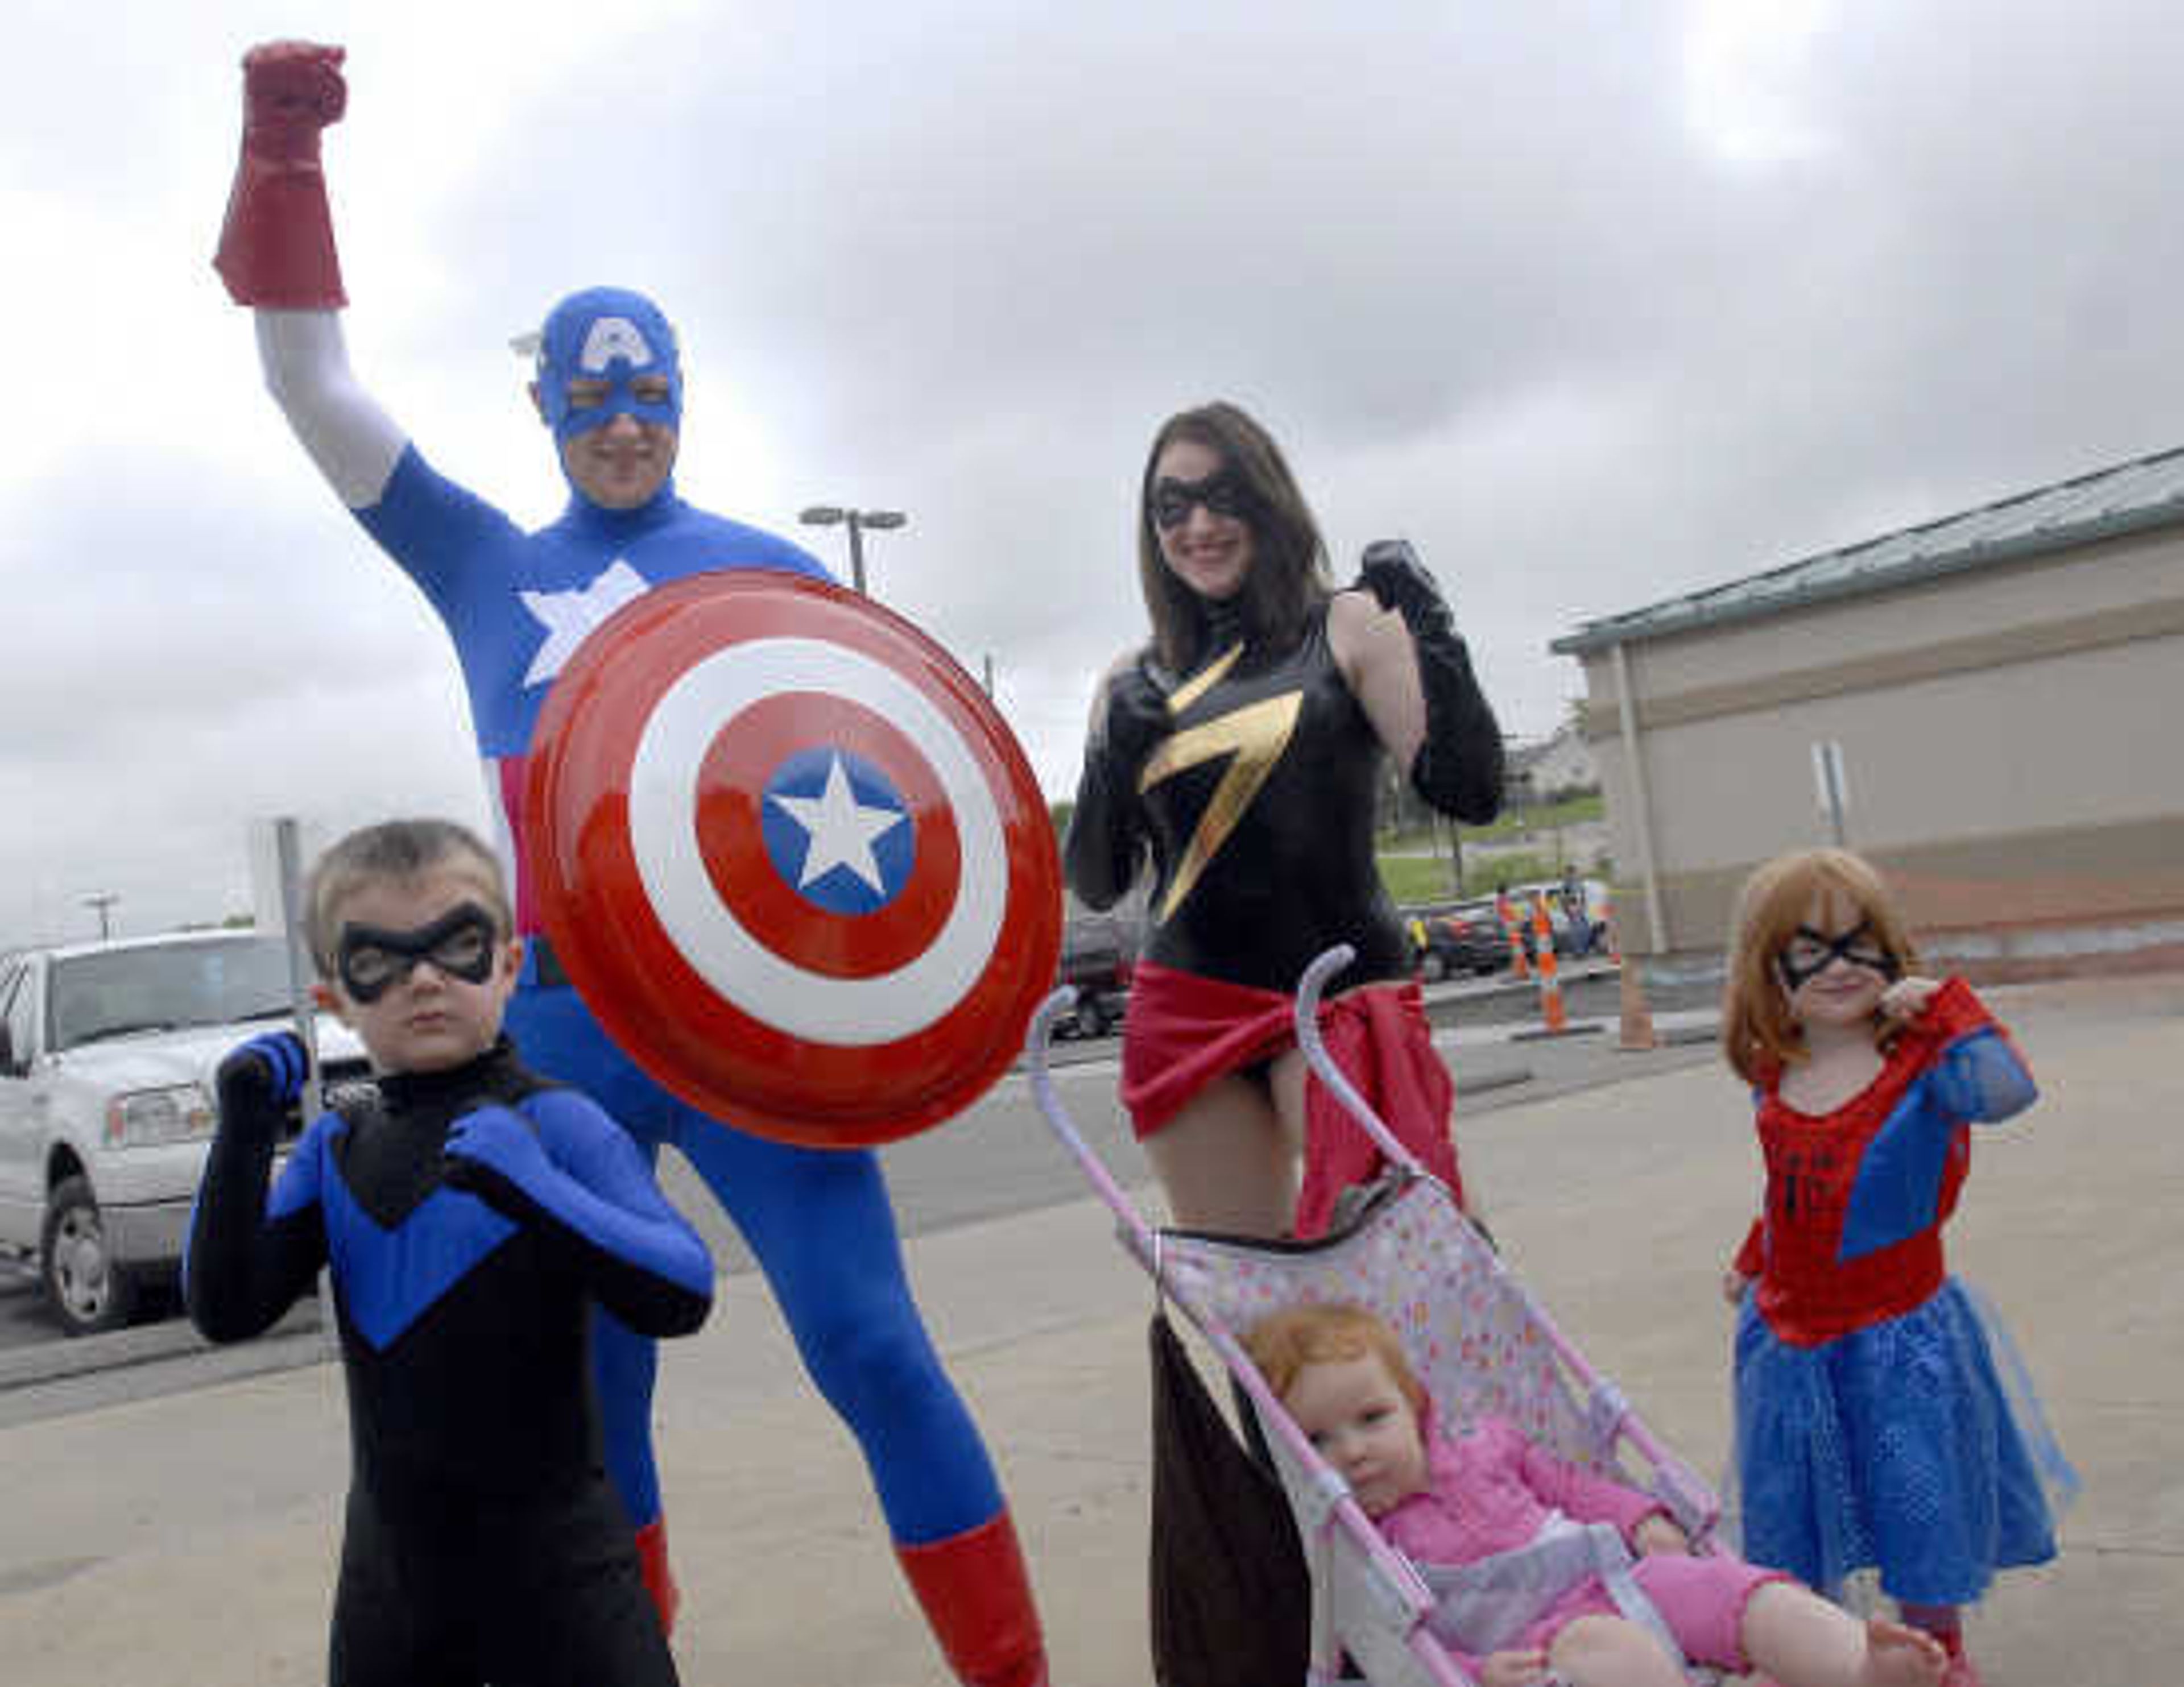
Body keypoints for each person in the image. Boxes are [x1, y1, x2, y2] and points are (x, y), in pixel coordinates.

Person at [211, 42, 1049, 1685]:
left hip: (750, 1028)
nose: (621, 424)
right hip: (566, 1040)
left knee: (874, 1342)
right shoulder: (481, 564)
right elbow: (311, 384)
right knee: (595, 1400)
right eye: (589, 399)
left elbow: (890, 797)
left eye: (647, 391)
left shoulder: (767, 575)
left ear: (684, 390)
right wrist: (285, 151)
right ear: (543, 408)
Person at [185, 819, 713, 1686]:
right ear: (334, 999)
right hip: (392, 1588)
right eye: (380, 960)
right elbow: (228, 1306)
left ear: (507, 964)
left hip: (565, 1581)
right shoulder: (336, 1147)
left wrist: (539, 1189)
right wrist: (241, 1132)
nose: (424, 978)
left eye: (456, 945)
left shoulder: (558, 1122)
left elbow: (683, 1288)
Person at [1064, 401, 1504, 1242]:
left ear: (1268, 500)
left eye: (1222, 496)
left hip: (1336, 996)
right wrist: (1107, 758)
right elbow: (1097, 879)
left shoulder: (1347, 623)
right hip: (1186, 1006)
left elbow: (1471, 789)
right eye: (1172, 505)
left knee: (1431, 1266)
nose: (1198, 525)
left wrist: (1435, 631)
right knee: (1259, 1317)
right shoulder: (1129, 675)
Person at [1720, 846, 2077, 1687]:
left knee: (1918, 1509)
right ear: (1769, 967)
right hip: (1789, 1342)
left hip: (1898, 1343)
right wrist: (1753, 1253)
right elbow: (1791, 1190)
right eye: (1809, 947)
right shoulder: (1779, 1070)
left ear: (1893, 950)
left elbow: (2009, 1089)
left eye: (1860, 941)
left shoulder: (1927, 1065)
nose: (1840, 966)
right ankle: (1811, 1650)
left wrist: (1948, 1007)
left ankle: (1935, 1654)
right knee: (1794, 1509)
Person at [1243, 1303, 1950, 1687]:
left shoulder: (1488, 1446)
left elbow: (1577, 1488)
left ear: (1417, 1410)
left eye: (1372, 1419)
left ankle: (1858, 1665)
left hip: (1622, 1574)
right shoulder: (1362, 1547)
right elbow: (1400, 1649)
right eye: (1322, 1441)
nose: (1355, 1450)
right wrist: (1476, 1672)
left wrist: (1642, 1518)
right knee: (1606, 1652)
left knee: (1739, 1592)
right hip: (1545, 1639)